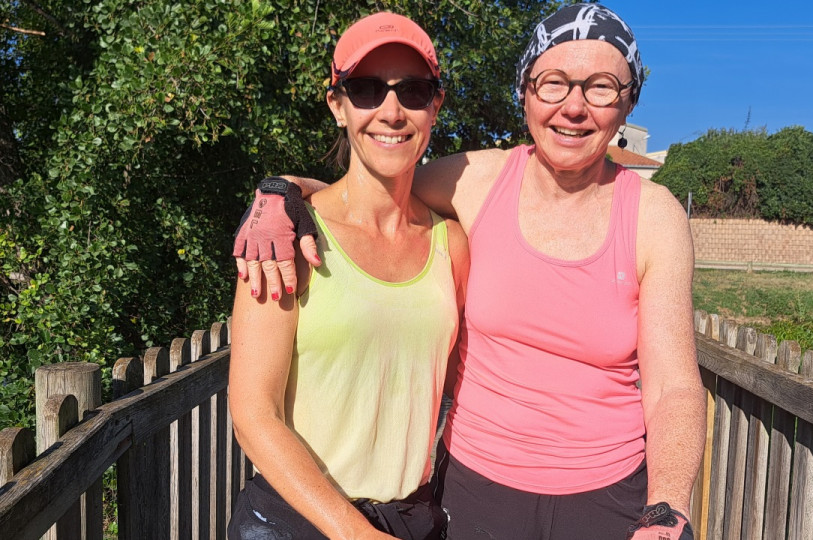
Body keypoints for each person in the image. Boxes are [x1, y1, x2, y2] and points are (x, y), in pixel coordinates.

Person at [234, 4, 705, 539]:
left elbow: (672, 387)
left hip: (605, 496)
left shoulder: (653, 215)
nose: (573, 106)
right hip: (476, 491)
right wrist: (282, 191)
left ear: (627, 104)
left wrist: (665, 509)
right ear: (526, 92)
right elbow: (377, 184)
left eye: (601, 88)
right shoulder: (477, 181)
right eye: (553, 83)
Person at [228, 12, 468, 540]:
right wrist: (353, 532)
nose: (391, 111)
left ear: (435, 106)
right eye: (365, 90)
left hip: (410, 520)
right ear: (336, 104)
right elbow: (252, 411)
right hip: (295, 520)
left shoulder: (450, 246)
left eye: (413, 91)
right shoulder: (286, 235)